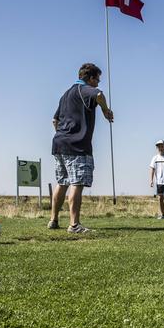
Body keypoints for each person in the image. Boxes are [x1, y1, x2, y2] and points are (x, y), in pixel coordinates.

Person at [48, 63, 114, 233]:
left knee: (62, 183)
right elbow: (99, 95)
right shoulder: (84, 89)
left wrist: (64, 134)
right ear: (90, 78)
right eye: (97, 79)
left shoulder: (65, 94)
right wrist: (106, 111)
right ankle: (74, 225)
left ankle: (53, 220)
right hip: (76, 146)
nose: (98, 82)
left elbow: (54, 121)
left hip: (59, 143)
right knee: (77, 183)